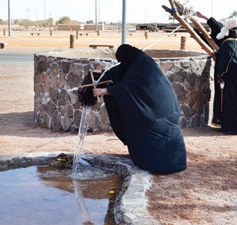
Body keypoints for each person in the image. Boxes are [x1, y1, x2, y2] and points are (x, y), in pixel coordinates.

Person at [79, 44, 187, 174]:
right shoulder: (140, 63)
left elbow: (128, 86)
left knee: (141, 128)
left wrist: (104, 91)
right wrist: (101, 76)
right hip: (167, 110)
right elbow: (120, 73)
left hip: (157, 114)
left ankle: (156, 163)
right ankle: (172, 162)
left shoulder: (142, 70)